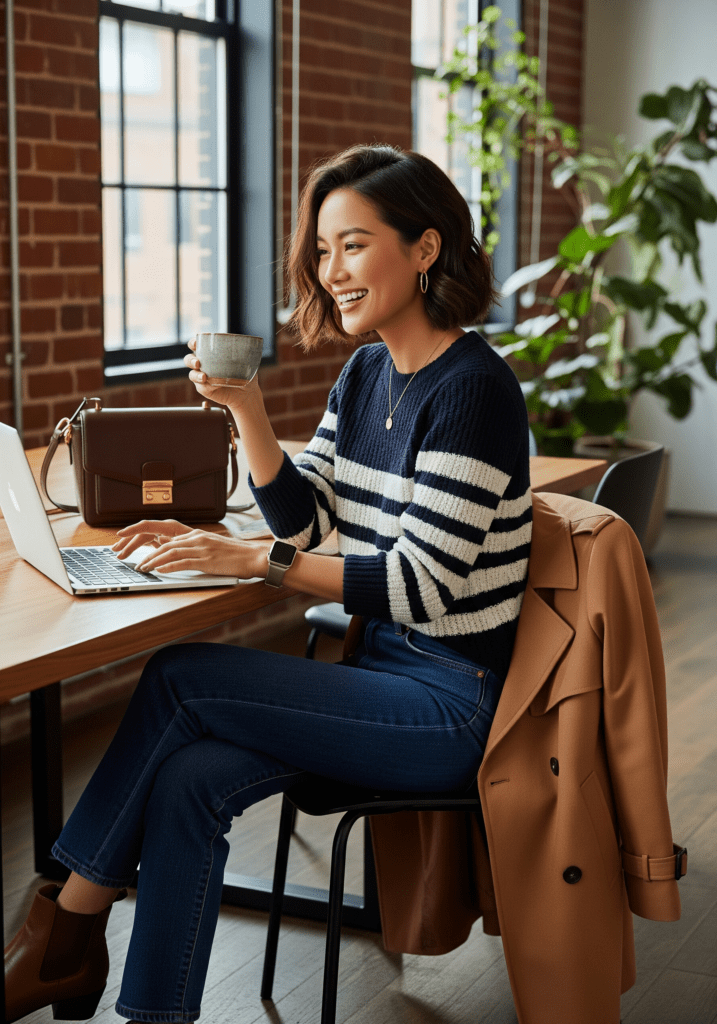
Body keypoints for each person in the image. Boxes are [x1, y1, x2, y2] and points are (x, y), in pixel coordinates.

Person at [4, 144, 532, 1024]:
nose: (332, 273)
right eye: (321, 252)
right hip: (376, 678)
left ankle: (61, 931)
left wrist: (253, 561)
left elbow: (423, 589)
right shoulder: (366, 372)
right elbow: (306, 520)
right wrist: (246, 411)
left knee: (180, 675)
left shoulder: (474, 390)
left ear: (426, 248)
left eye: (353, 245)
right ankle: (149, 1010)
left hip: (449, 705)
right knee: (189, 778)